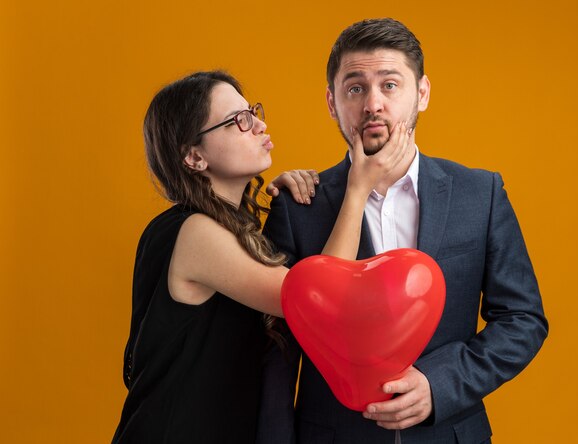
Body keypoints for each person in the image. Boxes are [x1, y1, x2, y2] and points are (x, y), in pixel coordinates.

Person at [257, 18, 549, 443]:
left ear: (422, 93)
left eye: (390, 85)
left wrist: (439, 384)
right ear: (331, 101)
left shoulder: (480, 193)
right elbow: (275, 356)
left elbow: (523, 319)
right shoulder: (295, 205)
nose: (373, 104)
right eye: (355, 88)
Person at [111, 70, 412, 443]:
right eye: (238, 121)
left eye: (252, 111)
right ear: (194, 156)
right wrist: (358, 188)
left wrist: (287, 203)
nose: (258, 125)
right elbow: (320, 301)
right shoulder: (195, 233)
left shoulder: (225, 228)